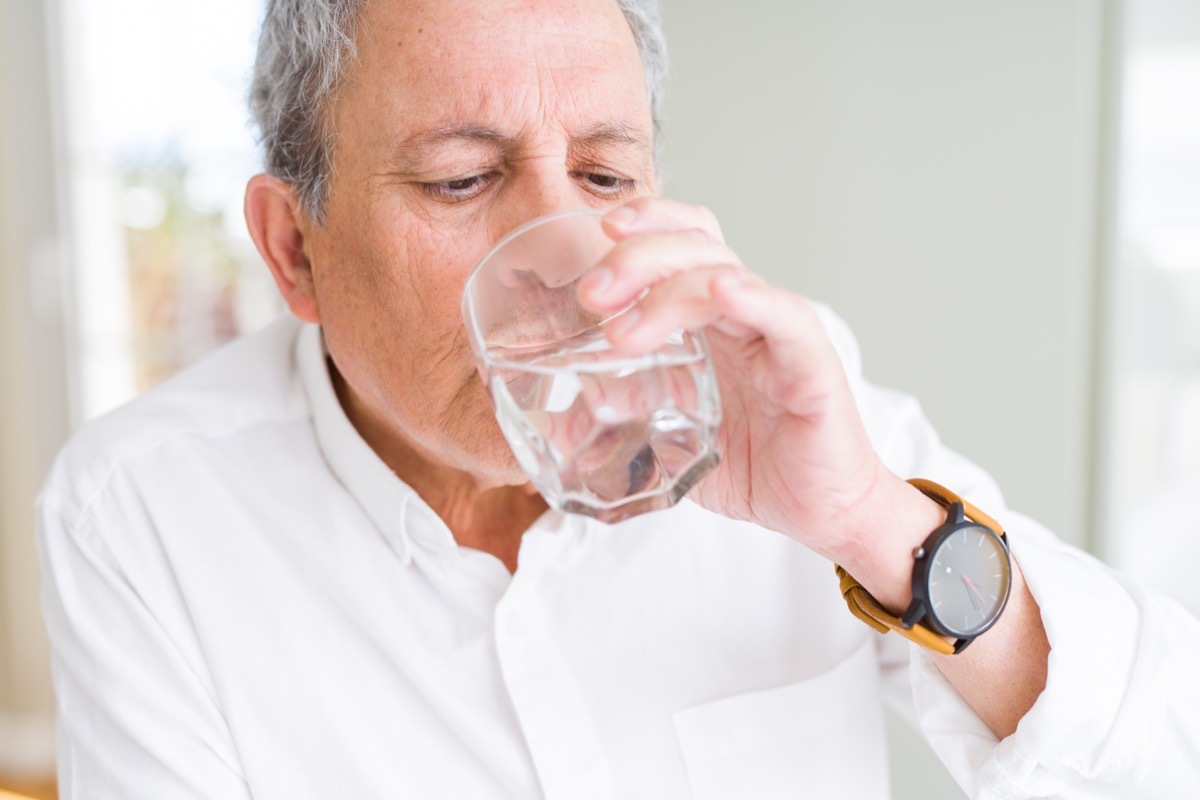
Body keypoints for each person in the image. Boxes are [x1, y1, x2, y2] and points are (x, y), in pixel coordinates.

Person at [35, 0, 1200, 797]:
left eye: (604, 176)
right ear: (295, 248)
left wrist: (874, 522)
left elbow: (1165, 754)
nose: (569, 256)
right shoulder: (145, 510)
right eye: (460, 178)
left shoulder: (775, 395)